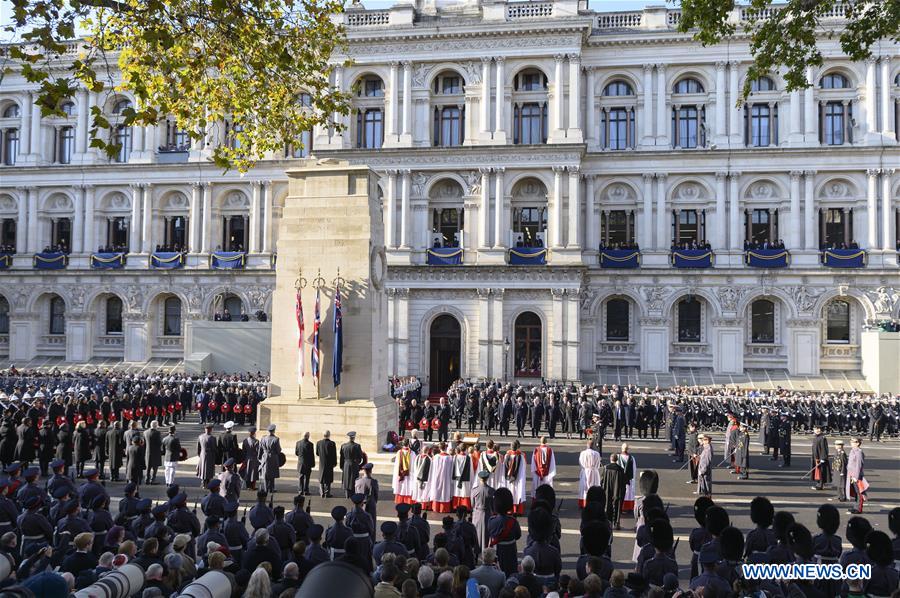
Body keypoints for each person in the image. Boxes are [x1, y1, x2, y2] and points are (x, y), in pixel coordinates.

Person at [600, 453, 626, 530]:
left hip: (607, 489)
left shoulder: (606, 468)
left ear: (610, 459)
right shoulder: (620, 469)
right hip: (617, 489)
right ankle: (616, 523)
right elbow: (624, 482)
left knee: (607, 505)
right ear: (617, 460)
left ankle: (607, 522)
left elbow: (602, 480)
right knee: (617, 505)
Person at [471, 470, 495, 553]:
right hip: (488, 514)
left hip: (477, 514)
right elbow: (493, 506)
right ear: (487, 479)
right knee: (487, 535)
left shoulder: (474, 490)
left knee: (476, 534)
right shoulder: (491, 490)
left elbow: (472, 504)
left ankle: (476, 552)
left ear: (479, 478)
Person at [502, 440, 527, 515]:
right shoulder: (521, 457)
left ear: (510, 447)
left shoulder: (507, 456)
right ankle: (518, 510)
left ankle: (510, 509)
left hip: (509, 478)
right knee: (517, 492)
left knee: (511, 492)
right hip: (518, 478)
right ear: (517, 447)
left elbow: (504, 467)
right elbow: (523, 469)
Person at [258, 423, 282, 494]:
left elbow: (260, 449)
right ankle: (271, 488)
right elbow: (278, 450)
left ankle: (266, 488)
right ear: (274, 431)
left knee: (266, 473)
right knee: (272, 473)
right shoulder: (276, 439)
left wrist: (259, 457)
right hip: (273, 457)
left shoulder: (263, 438)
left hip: (265, 456)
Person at [577, 439, 602, 509]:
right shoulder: (597, 454)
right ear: (593, 445)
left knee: (584, 488)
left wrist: (585, 468)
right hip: (594, 472)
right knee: (594, 487)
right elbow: (598, 464)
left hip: (585, 472)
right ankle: (594, 502)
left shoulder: (583, 453)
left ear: (587, 445)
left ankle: (584, 503)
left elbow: (580, 463)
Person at [391, 438, 416, 505]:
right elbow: (414, 465)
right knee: (408, 486)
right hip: (409, 473)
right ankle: (408, 500)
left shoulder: (399, 452)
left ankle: (400, 500)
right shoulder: (412, 453)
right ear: (409, 444)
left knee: (401, 486)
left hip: (400, 473)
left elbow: (397, 464)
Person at [340, 431, 364, 498]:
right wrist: (357, 463)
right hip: (354, 464)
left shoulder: (343, 446)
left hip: (346, 464)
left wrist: (342, 466)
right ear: (354, 438)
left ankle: (347, 494)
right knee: (353, 480)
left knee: (346, 479)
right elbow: (360, 457)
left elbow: (342, 458)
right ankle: (353, 494)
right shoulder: (357, 446)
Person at [846, 437, 867, 514]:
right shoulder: (853, 451)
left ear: (858, 443)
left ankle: (859, 508)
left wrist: (856, 477)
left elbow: (858, 465)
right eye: (851, 441)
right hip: (852, 474)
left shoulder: (858, 452)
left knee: (859, 492)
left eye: (853, 442)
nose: (851, 443)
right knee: (855, 492)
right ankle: (855, 507)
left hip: (856, 476)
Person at [316, 430, 337, 498]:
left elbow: (317, 453)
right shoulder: (332, 443)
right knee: (328, 478)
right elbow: (334, 455)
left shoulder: (319, 443)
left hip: (322, 463)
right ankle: (327, 493)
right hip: (329, 463)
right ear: (329, 435)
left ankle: (322, 492)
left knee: (321, 477)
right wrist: (334, 463)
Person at [196, 424, 218, 488]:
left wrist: (200, 454)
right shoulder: (212, 438)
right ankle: (207, 483)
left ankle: (203, 481)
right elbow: (214, 448)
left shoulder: (200, 436)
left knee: (203, 468)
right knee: (208, 469)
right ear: (210, 430)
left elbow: (198, 447)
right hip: (210, 455)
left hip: (202, 454)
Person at [240, 427, 261, 491]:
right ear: (254, 433)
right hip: (254, 458)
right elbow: (258, 451)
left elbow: (243, 451)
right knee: (253, 473)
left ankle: (248, 486)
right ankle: (252, 486)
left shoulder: (245, 441)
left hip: (247, 458)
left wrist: (243, 459)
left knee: (247, 472)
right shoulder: (256, 441)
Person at [295, 431, 315, 496]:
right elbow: (312, 455)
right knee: (307, 478)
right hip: (308, 463)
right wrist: (313, 464)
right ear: (308, 436)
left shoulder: (298, 443)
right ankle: (306, 491)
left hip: (300, 463)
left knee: (301, 477)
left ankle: (300, 491)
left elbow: (296, 453)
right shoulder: (310, 444)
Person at [810, 425, 829, 491]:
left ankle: (820, 485)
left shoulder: (822, 438)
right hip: (816, 457)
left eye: (816, 429)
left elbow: (824, 449)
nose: (814, 430)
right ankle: (819, 483)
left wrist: (823, 458)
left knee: (821, 472)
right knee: (817, 472)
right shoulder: (816, 437)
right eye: (814, 429)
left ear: (819, 430)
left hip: (820, 458)